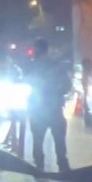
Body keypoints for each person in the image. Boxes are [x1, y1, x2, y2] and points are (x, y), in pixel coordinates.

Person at [25, 39, 71, 173]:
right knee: (59, 139)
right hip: (54, 107)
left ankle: (39, 166)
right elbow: (67, 86)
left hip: (38, 108)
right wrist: (57, 92)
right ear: (47, 49)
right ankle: (63, 166)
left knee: (38, 140)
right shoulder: (56, 65)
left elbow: (25, 81)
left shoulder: (31, 66)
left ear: (36, 49)